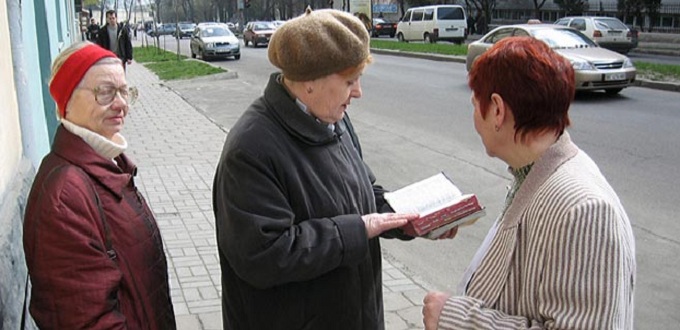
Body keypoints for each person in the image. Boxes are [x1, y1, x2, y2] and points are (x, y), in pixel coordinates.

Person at [212, 8, 425, 330]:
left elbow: (362, 196)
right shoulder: (250, 149)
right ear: (309, 83)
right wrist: (359, 230)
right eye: (350, 81)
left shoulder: (332, 118)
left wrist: (408, 218)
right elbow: (265, 255)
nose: (358, 92)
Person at [422, 36, 636, 329]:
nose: (473, 116)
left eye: (475, 105)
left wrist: (455, 318)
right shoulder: (533, 173)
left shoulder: (584, 209)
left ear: (497, 110)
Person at [23, 42, 176, 329]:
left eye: (125, 91)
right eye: (105, 92)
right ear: (67, 99)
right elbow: (86, 319)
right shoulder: (66, 195)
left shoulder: (106, 163)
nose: (121, 104)